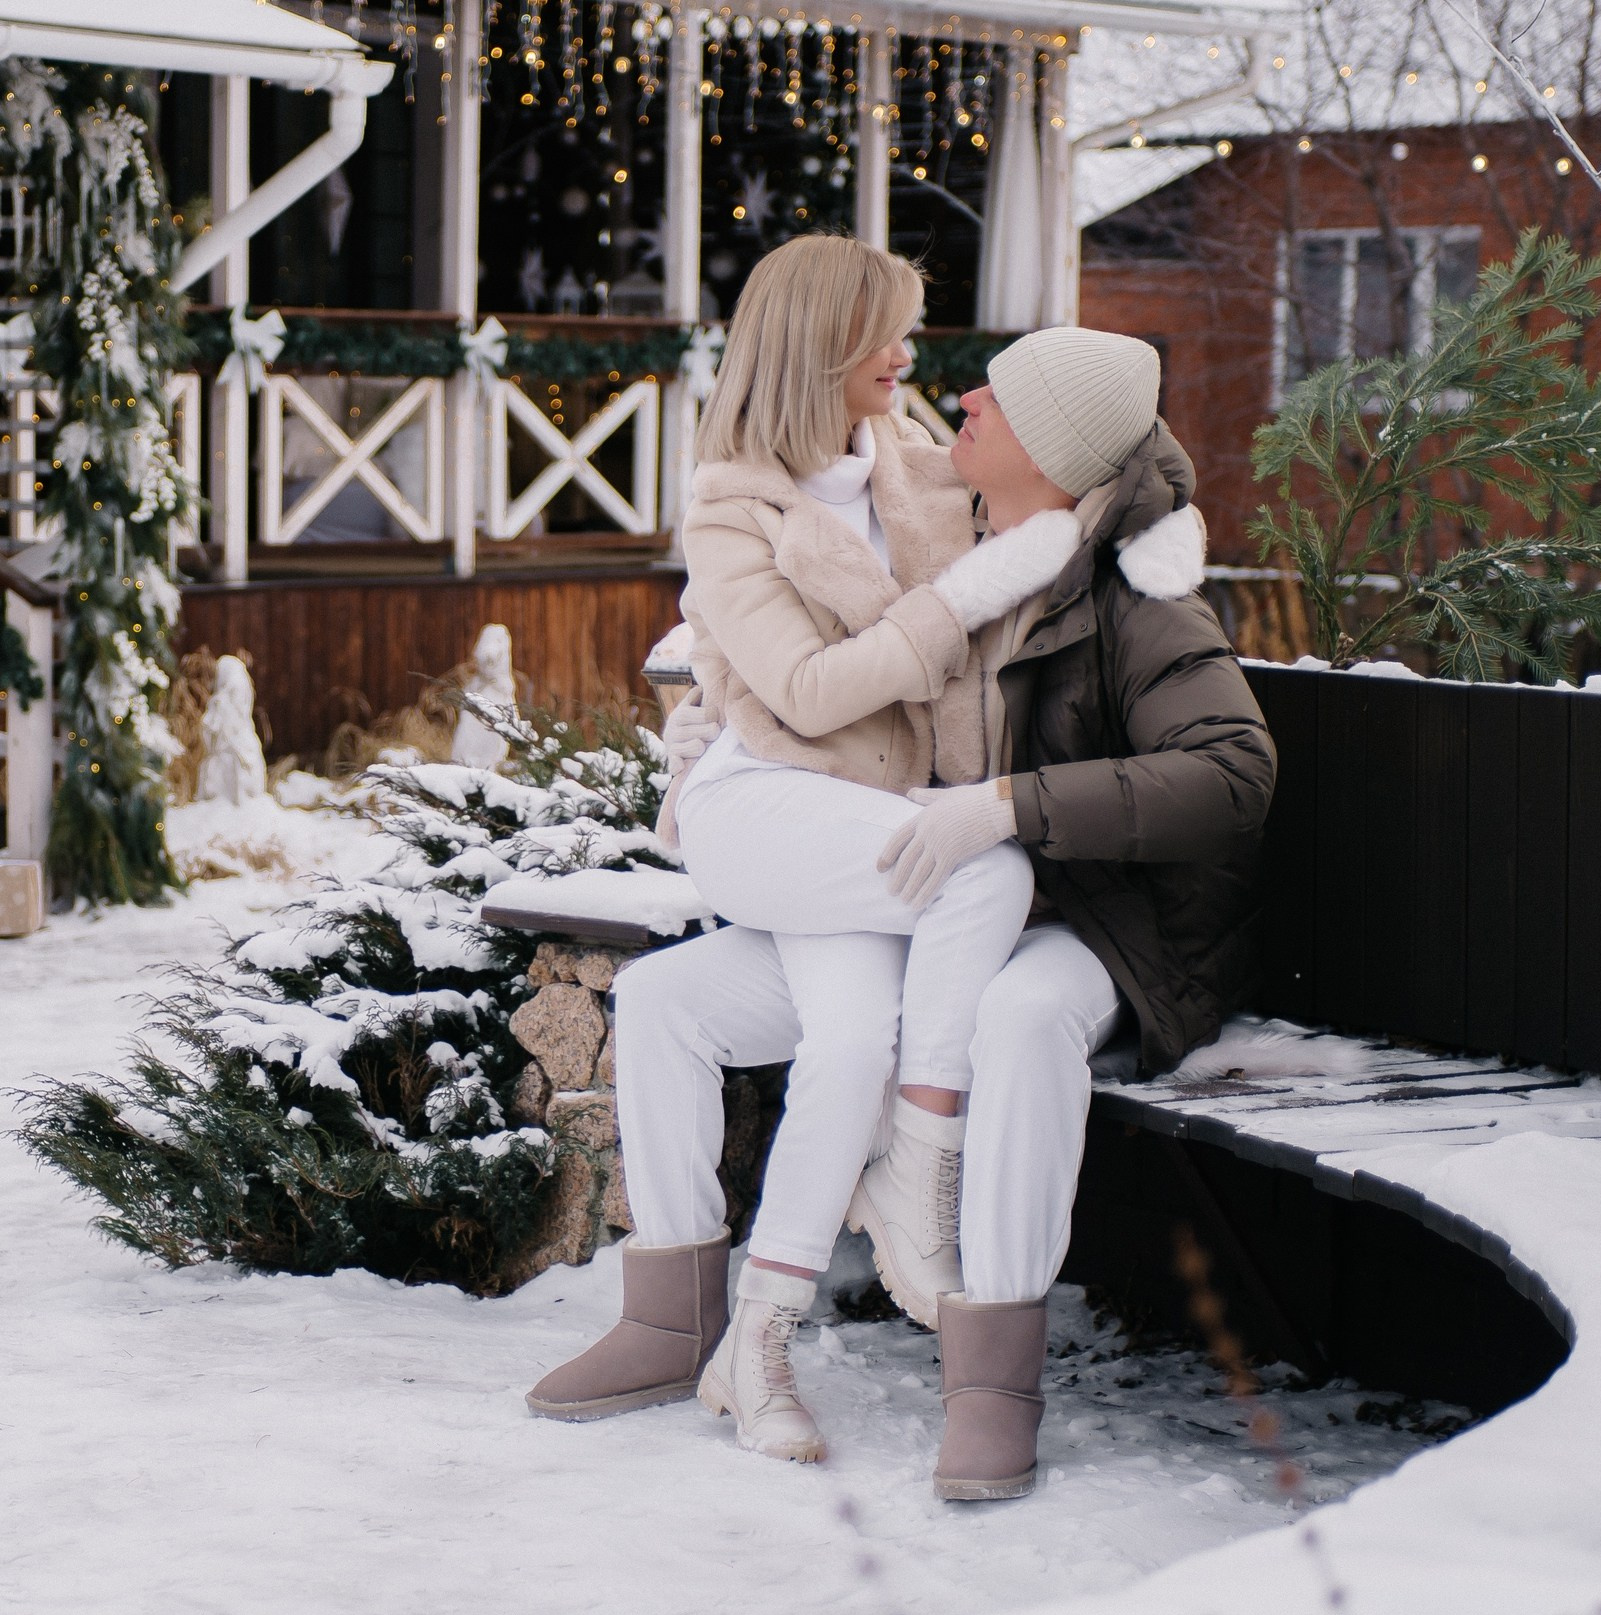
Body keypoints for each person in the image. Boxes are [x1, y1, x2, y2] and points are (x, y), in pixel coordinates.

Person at [530, 326, 1274, 1503]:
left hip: (1104, 927)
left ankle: (989, 1371)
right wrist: (722, 728)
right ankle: (673, 1317)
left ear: (1058, 449)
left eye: (1001, 397)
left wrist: (1007, 804)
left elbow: (1233, 772)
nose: (962, 395)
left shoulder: (1138, 591)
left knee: (1021, 1020)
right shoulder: (971, 537)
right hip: (963, 898)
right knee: (669, 998)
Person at [524, 239, 1102, 1456]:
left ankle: (745, 1337)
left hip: (863, 824)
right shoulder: (730, 499)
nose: (907, 355)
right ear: (818, 346)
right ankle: (917, 1165)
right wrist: (952, 606)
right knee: (984, 864)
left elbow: (1056, 486)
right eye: (886, 333)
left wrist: (1137, 523)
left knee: (825, 1039)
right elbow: (805, 686)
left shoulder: (914, 464)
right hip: (767, 806)